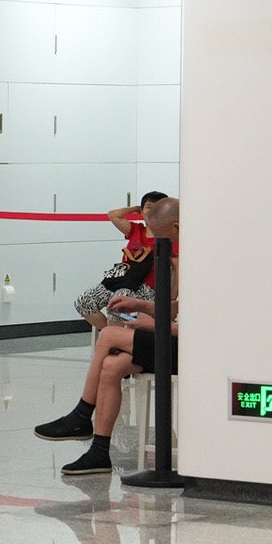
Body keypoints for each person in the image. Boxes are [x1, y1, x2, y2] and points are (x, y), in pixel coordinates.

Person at [34, 198, 179, 476]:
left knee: (110, 336)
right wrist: (141, 306)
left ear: (176, 227)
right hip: (165, 337)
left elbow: (202, 329)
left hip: (184, 347)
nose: (163, 246)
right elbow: (176, 309)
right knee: (112, 365)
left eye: (163, 239)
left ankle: (81, 414)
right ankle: (99, 452)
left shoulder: (195, 258)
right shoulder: (149, 235)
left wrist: (155, 325)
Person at [74, 191, 168, 328]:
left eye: (157, 208)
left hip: (147, 287)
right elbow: (113, 215)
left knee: (117, 302)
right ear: (142, 211)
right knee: (83, 302)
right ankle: (113, 334)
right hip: (123, 280)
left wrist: (171, 297)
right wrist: (135, 209)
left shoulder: (168, 237)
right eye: (149, 207)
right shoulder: (136, 229)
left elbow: (177, 268)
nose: (152, 212)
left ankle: (116, 338)